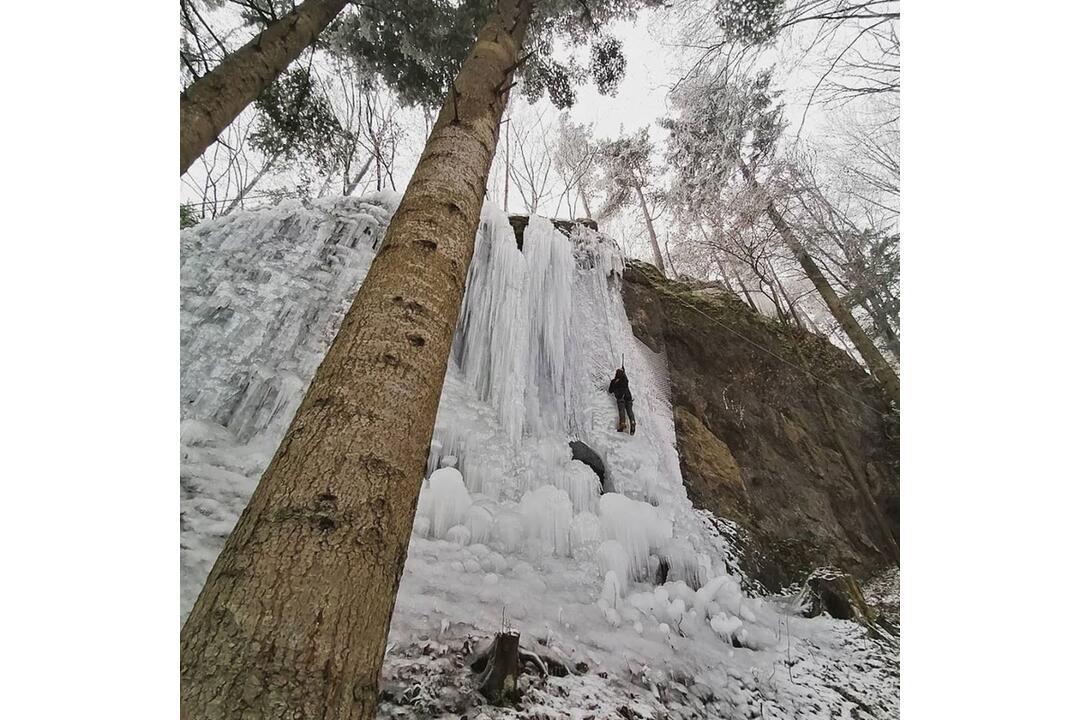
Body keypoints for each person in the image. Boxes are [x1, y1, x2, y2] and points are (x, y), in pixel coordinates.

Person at [607, 367, 636, 434]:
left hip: (620, 398)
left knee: (622, 410)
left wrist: (613, 385)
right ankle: (632, 422)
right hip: (628, 397)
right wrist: (623, 370)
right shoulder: (625, 380)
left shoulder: (613, 382)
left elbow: (610, 391)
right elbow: (625, 377)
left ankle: (622, 423)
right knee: (630, 411)